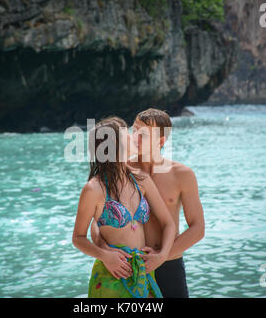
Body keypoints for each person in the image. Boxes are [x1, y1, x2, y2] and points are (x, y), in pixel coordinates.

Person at [91, 108, 205, 298]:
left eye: (143, 134)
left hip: (169, 266)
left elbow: (198, 229)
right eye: (134, 130)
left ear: (160, 141)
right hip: (128, 267)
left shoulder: (182, 175)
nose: (135, 137)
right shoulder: (121, 170)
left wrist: (161, 257)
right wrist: (104, 251)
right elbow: (96, 221)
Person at [72, 117, 176, 298]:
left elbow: (169, 224)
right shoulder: (94, 189)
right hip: (111, 274)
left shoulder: (141, 179)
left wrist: (160, 257)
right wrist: (105, 255)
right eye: (128, 134)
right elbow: (78, 238)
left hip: (143, 273)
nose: (134, 137)